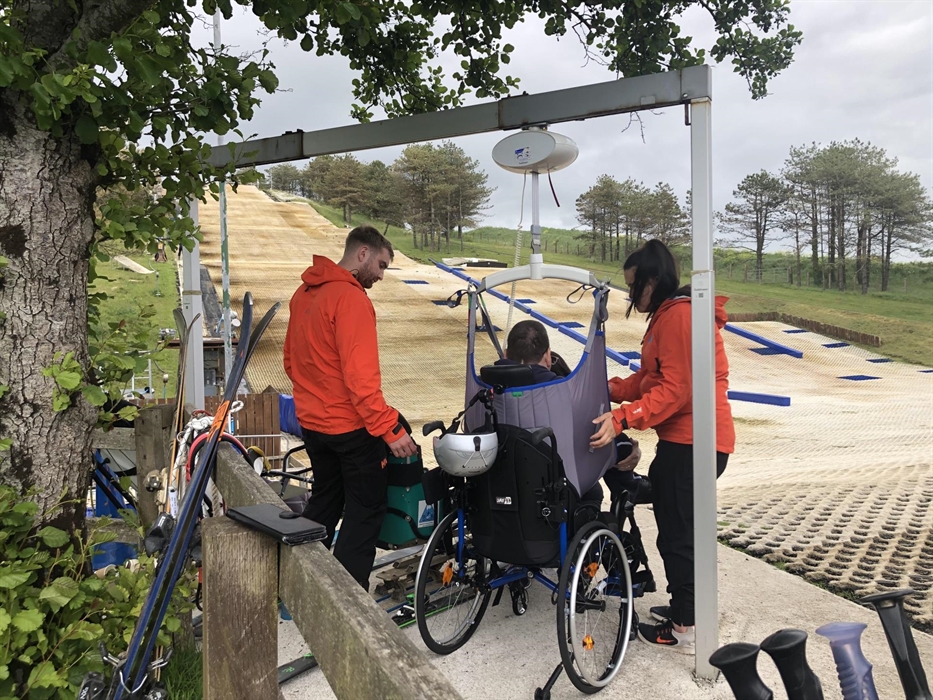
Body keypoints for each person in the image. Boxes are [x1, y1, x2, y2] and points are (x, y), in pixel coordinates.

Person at [589, 239, 735, 655]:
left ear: (652, 281)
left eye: (633, 286)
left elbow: (676, 390)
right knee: (678, 528)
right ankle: (688, 608)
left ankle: (686, 626)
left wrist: (622, 418)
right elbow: (650, 379)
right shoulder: (670, 315)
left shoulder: (679, 317)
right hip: (687, 441)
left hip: (694, 443)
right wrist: (609, 389)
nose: (631, 296)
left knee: (677, 535)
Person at [283, 225, 418, 588]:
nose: (381, 275)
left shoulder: (304, 293)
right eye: (382, 265)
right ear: (363, 254)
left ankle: (299, 585)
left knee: (325, 501)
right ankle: (345, 601)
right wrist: (390, 430)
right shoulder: (351, 299)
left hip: (313, 426)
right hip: (351, 430)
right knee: (365, 512)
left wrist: (315, 400)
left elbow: (291, 363)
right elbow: (361, 381)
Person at [495, 319, 641, 501]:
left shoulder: (485, 389)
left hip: (499, 481)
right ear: (548, 356)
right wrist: (628, 447)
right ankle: (630, 491)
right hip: (554, 484)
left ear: (506, 354)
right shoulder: (565, 392)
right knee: (613, 456)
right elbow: (595, 433)